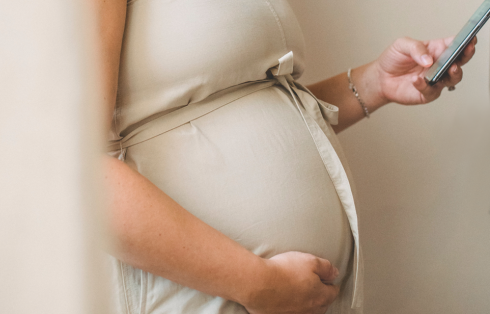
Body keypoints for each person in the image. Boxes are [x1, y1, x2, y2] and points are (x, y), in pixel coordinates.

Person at [97, 1, 477, 313]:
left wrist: (376, 82)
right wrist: (258, 283)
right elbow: (74, 175)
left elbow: (249, 105)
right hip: (203, 295)